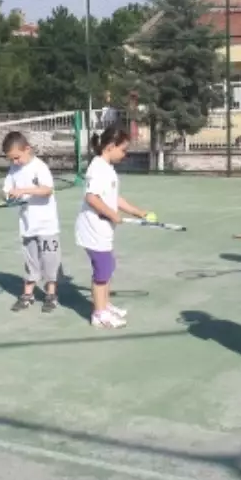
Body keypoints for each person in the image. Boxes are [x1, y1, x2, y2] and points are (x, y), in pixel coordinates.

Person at [74, 125, 151, 329]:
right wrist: (112, 215)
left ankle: (105, 305)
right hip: (93, 228)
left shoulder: (107, 168)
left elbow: (113, 198)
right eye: (123, 149)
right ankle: (99, 314)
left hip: (103, 229)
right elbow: (92, 197)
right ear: (110, 146)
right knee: (103, 270)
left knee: (108, 267)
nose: (124, 154)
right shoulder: (97, 168)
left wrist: (137, 211)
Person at [0, 130, 62, 313]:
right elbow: (6, 189)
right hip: (27, 226)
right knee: (30, 261)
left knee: (50, 261)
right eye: (11, 159)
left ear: (27, 149)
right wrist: (7, 196)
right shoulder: (13, 169)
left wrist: (24, 190)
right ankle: (28, 294)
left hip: (47, 225)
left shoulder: (40, 167)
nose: (15, 162)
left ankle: (51, 294)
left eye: (17, 157)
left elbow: (47, 190)